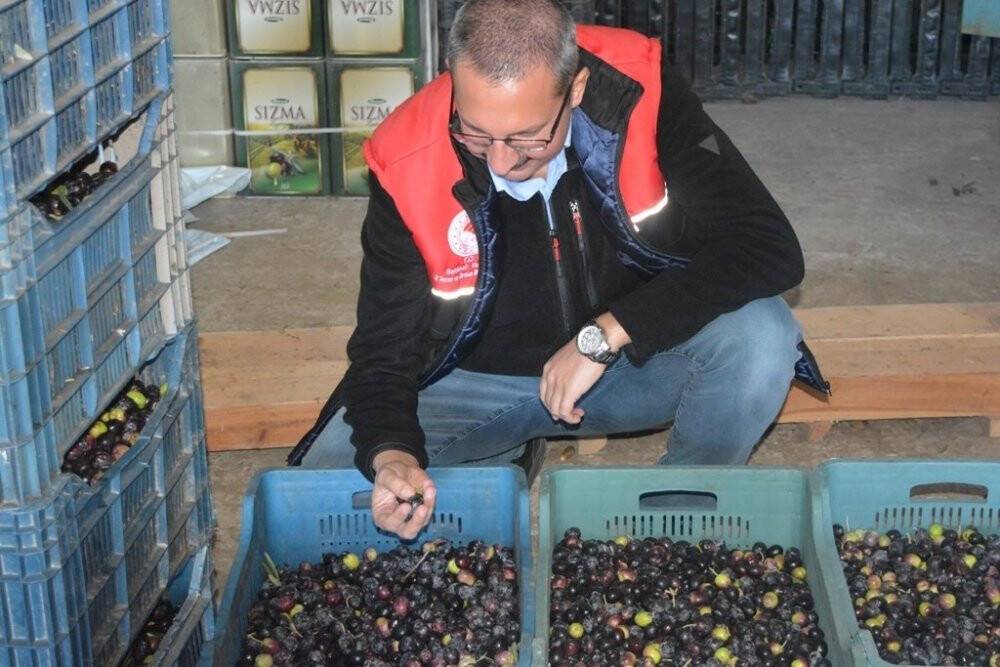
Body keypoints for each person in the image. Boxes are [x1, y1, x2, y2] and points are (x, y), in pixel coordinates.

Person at [288, 0, 827, 539]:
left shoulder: (640, 96)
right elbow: (384, 348)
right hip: (476, 383)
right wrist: (393, 454)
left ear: (576, 89)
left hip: (623, 370)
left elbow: (769, 247)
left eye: (527, 137)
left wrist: (606, 334)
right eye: (476, 132)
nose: (500, 161)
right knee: (334, 477)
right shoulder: (407, 156)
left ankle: (680, 513)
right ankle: (505, 452)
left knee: (763, 337)